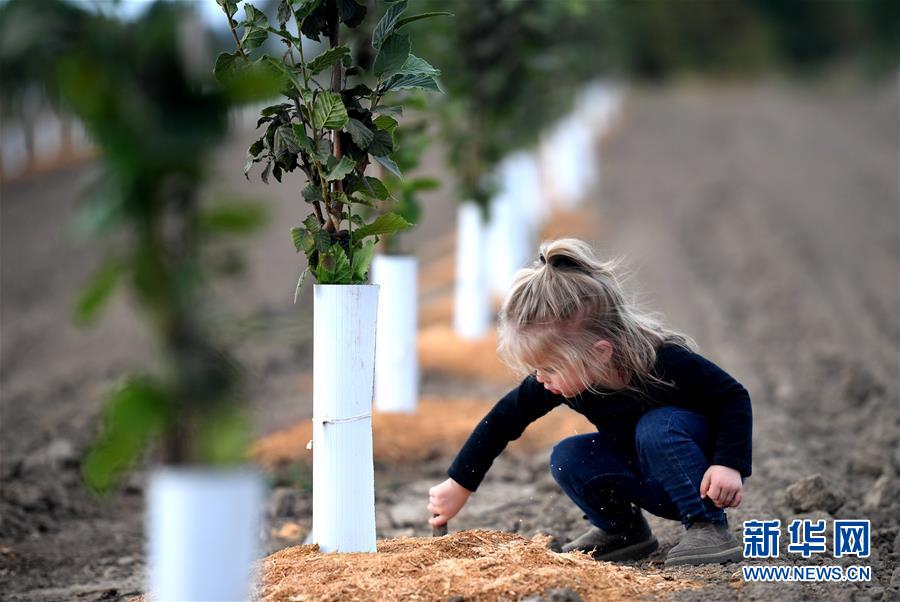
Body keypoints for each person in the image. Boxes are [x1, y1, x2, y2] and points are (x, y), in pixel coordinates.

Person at [427, 238, 752, 566]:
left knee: (657, 426)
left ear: (599, 353)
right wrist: (459, 484)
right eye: (536, 369)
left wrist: (728, 464)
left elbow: (732, 397)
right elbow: (503, 421)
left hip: (699, 478)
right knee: (569, 455)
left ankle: (707, 526)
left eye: (550, 368)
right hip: (644, 474)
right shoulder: (562, 381)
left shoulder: (664, 360)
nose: (541, 378)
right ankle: (621, 531)